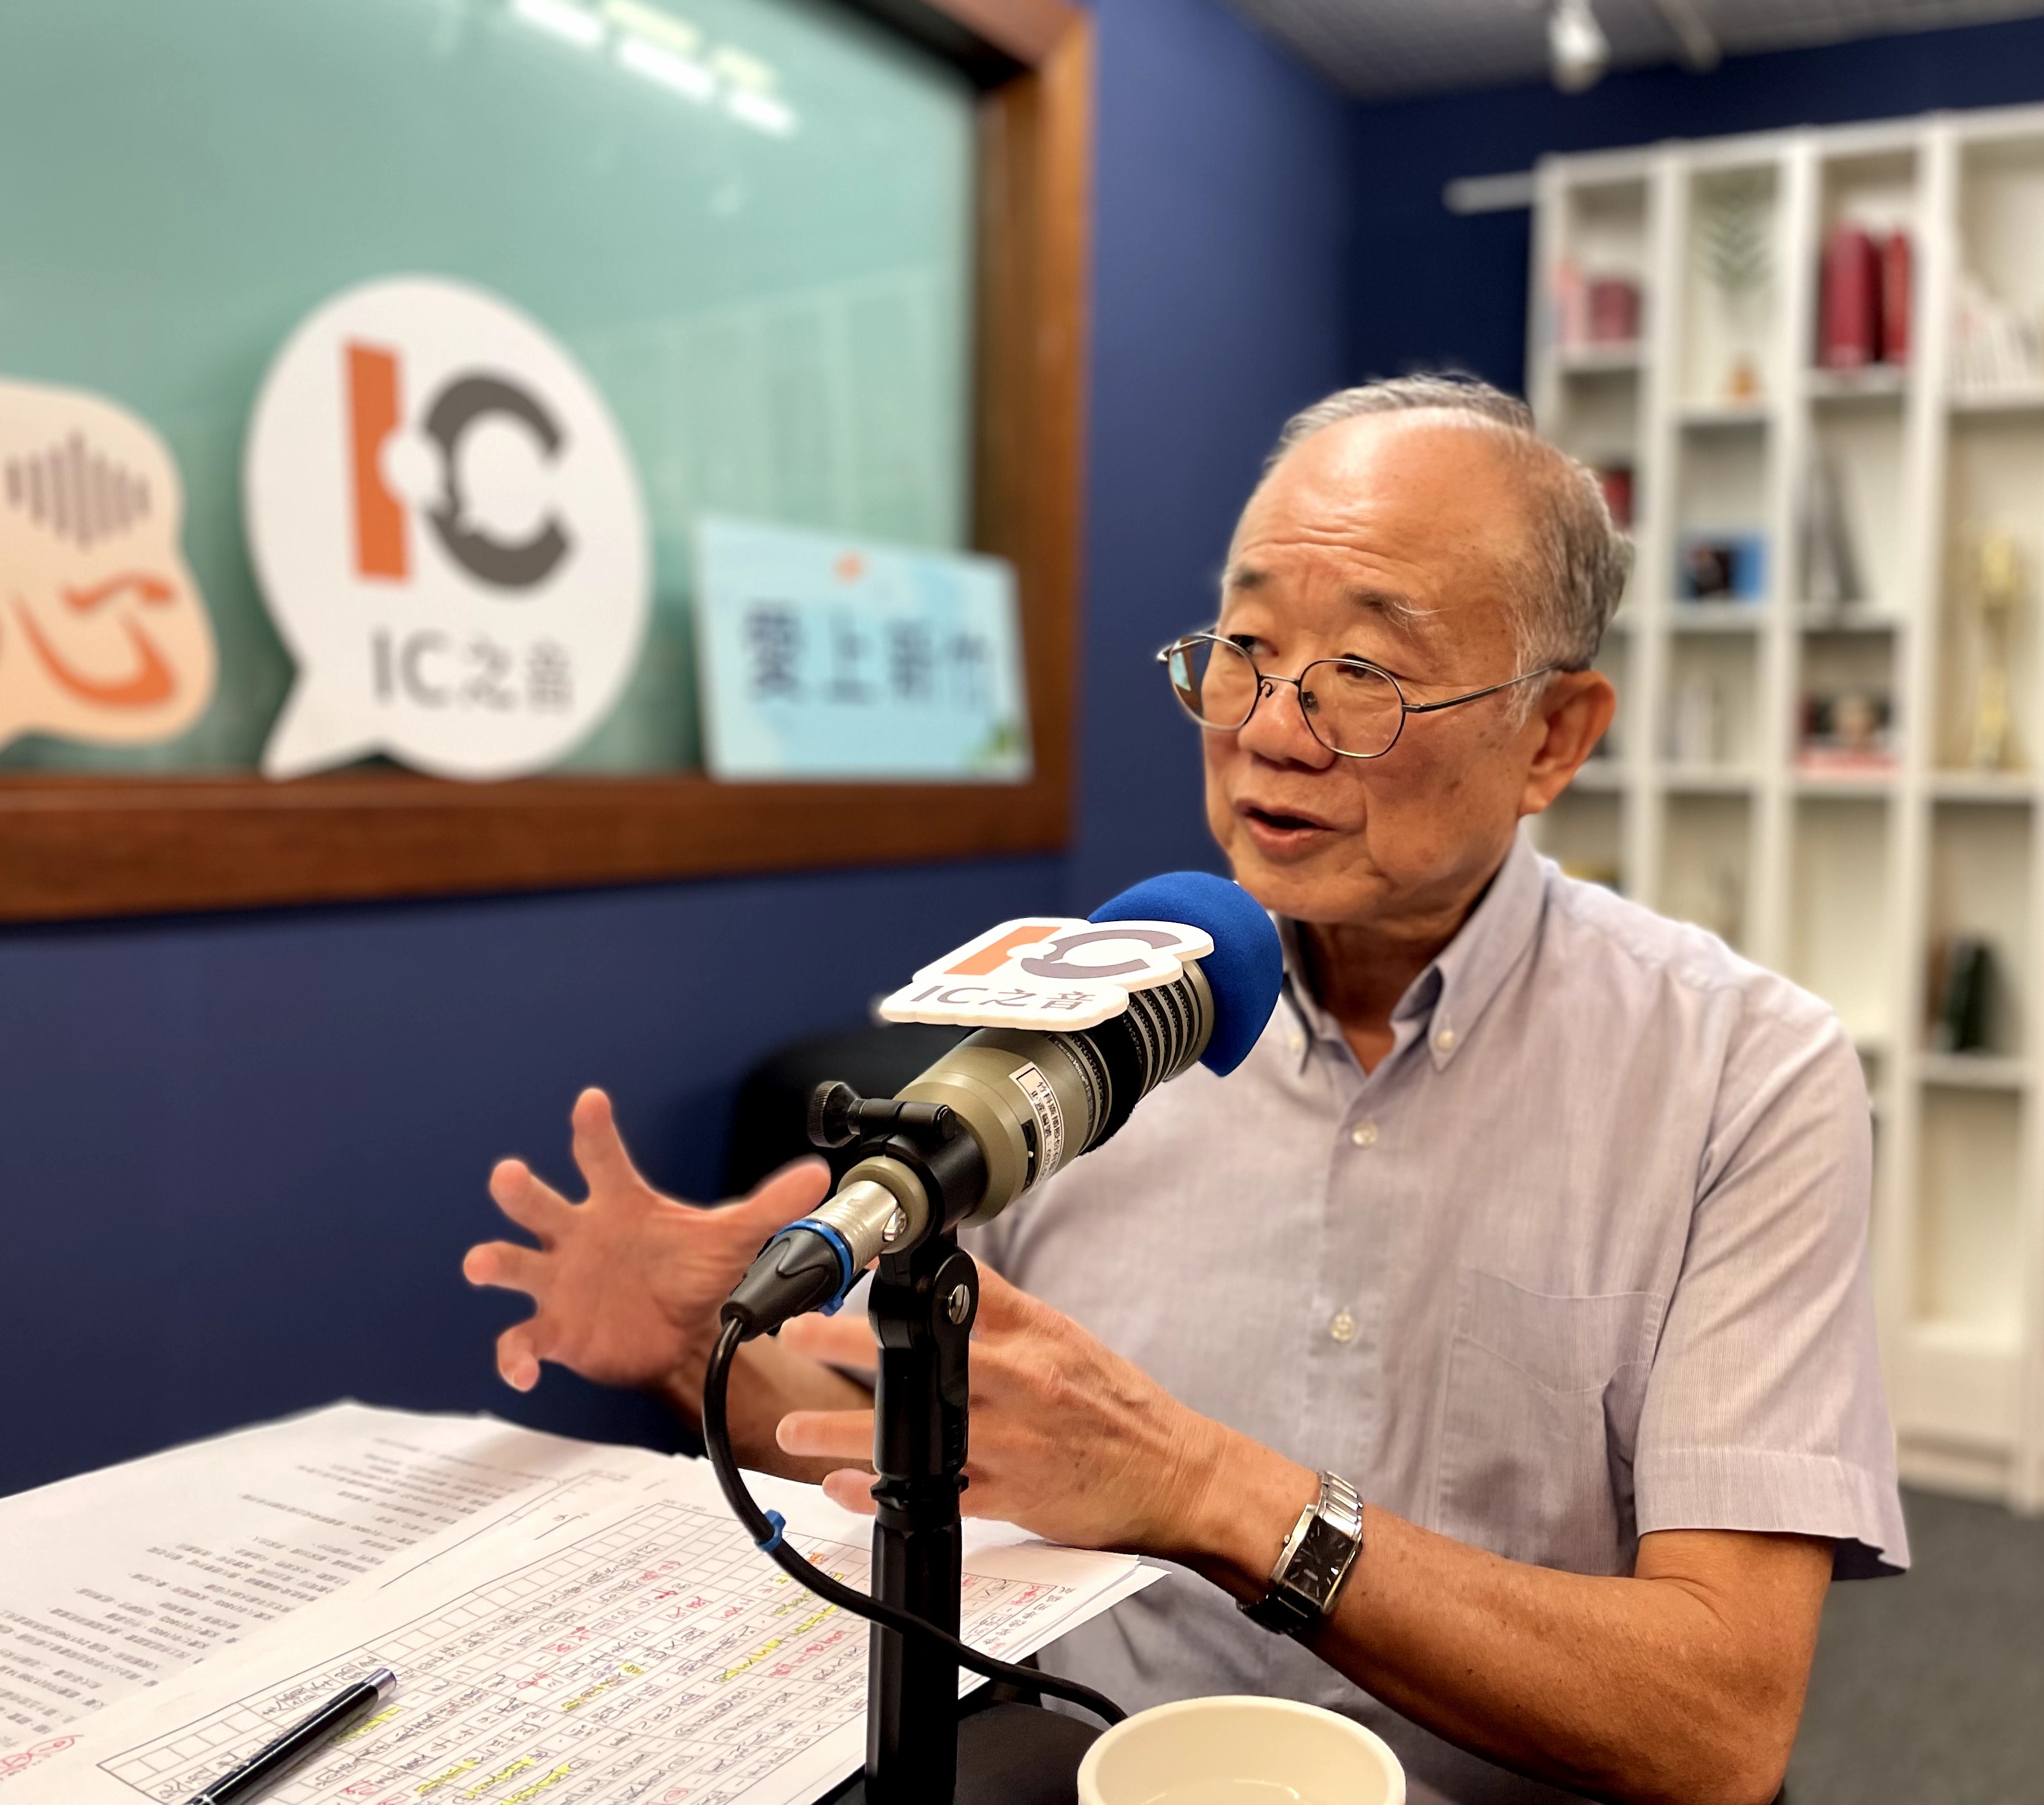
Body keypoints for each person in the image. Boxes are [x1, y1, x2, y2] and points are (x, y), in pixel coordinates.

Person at [465, 374, 1906, 1805]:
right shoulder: (1090, 1027)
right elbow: (905, 1452)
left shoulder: (1744, 1074)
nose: (1272, 728)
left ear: (1553, 737)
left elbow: (1718, 1722)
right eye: (1246, 648)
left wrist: (1209, 1492)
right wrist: (691, 1349)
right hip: (1084, 1770)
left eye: (1365, 674)